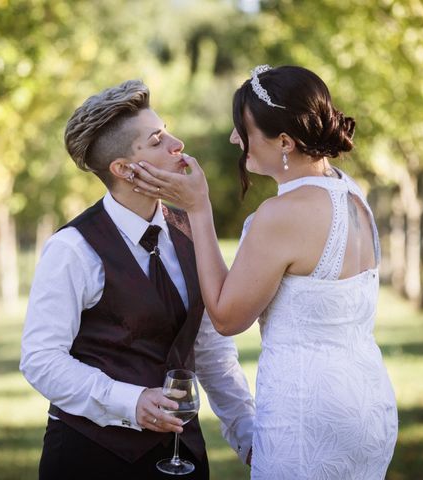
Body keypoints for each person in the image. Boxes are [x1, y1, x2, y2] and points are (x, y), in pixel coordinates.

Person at [129, 65, 398, 479]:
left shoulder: (280, 215)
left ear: (285, 142)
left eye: (245, 129)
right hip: (370, 408)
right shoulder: (351, 192)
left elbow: (226, 317)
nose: (235, 138)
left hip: (309, 417)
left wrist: (199, 209)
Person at [20, 79, 255, 480]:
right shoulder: (73, 249)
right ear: (125, 169)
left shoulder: (191, 230)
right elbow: (40, 360)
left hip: (182, 455)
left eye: (169, 131)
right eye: (158, 139)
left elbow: (212, 352)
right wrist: (132, 402)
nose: (177, 143)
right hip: (89, 458)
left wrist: (249, 435)